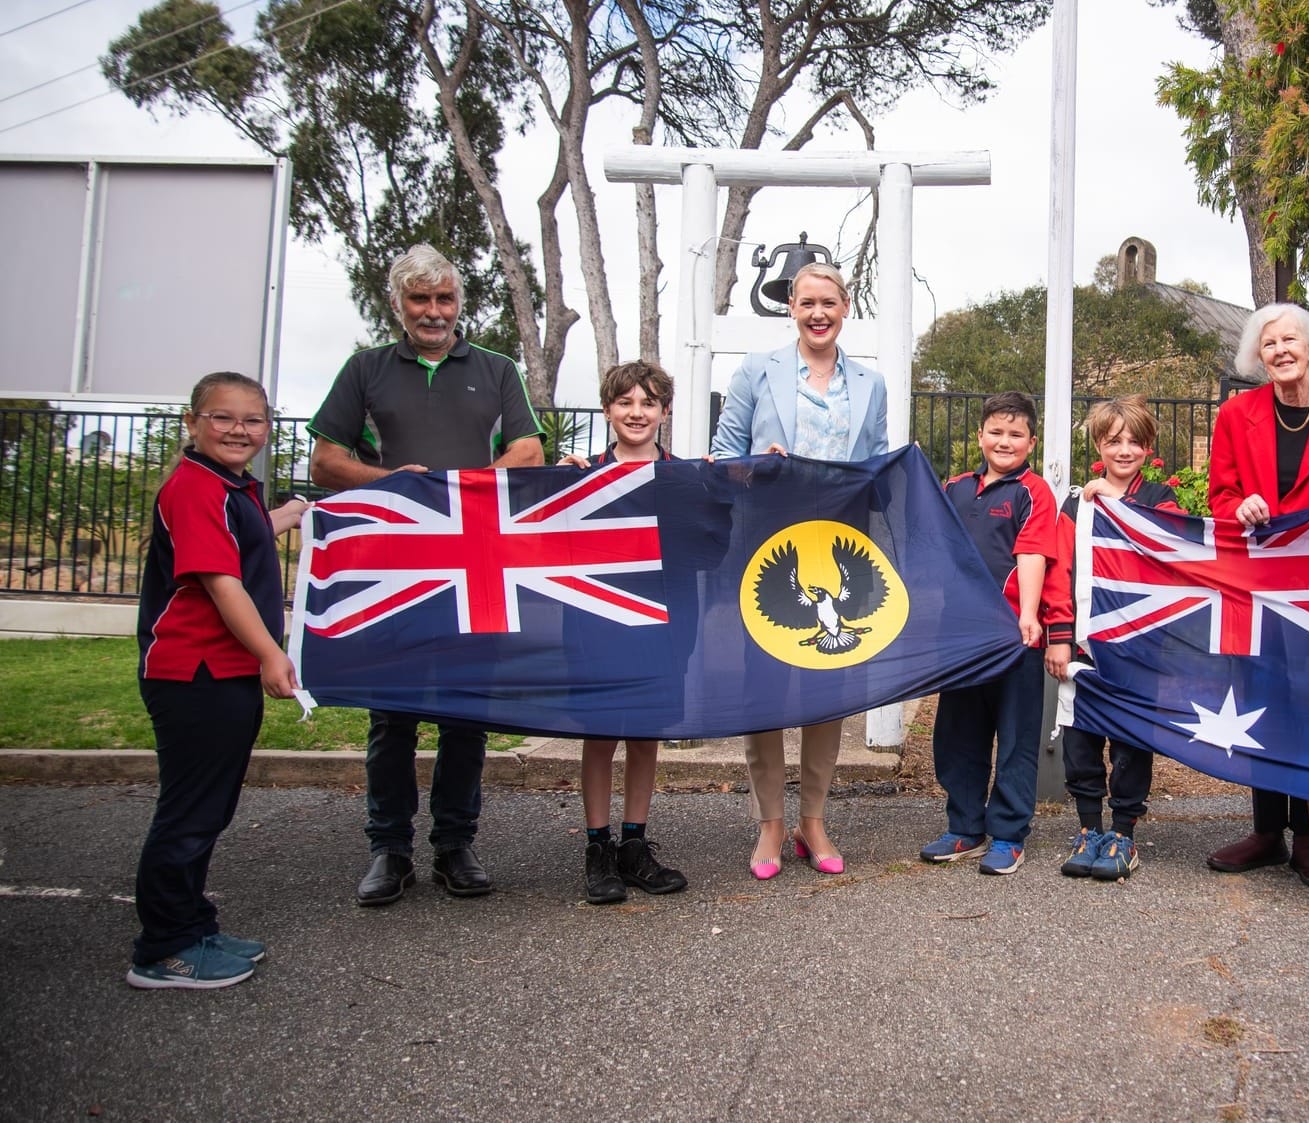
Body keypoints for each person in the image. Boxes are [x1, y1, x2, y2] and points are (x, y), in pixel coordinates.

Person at [308, 243, 544, 907]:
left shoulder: (496, 370)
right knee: (394, 714)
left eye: (444, 298)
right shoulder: (366, 370)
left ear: (459, 303)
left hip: (476, 564)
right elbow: (326, 461)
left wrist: (468, 491)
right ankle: (389, 848)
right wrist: (393, 485)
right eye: (421, 299)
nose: (434, 311)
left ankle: (454, 845)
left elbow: (528, 450)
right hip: (394, 567)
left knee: (466, 712)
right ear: (399, 306)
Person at [129, 372, 310, 988]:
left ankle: (192, 922)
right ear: (193, 421)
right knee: (190, 811)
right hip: (195, 672)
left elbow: (250, 537)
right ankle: (164, 948)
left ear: (266, 427)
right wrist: (269, 653)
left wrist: (301, 513)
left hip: (220, 672)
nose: (238, 430)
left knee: (210, 806)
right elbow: (221, 582)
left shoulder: (231, 487)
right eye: (222, 417)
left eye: (252, 420)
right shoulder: (194, 488)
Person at [710, 262, 889, 879]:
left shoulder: (871, 384)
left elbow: (876, 468)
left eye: (829, 303)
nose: (819, 313)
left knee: (827, 689)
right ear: (792, 308)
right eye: (807, 302)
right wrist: (756, 463)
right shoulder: (756, 371)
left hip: (840, 548)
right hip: (768, 547)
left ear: (845, 309)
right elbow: (723, 453)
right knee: (765, 687)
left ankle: (813, 819)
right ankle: (770, 824)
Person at [1202, 304, 1309, 891]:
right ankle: (1267, 831)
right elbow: (1220, 493)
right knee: (1264, 700)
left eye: (1289, 339)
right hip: (1257, 585)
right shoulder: (1237, 413)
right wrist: (1238, 505)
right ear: (1257, 355)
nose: (1279, 350)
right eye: (1268, 343)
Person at [924, 390, 1074, 875]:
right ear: (980, 435)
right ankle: (965, 826)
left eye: (1015, 434)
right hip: (962, 641)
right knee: (957, 734)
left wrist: (1031, 616)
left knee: (1015, 738)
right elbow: (934, 551)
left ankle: (1008, 834)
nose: (1004, 441)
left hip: (1014, 639)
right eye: (996, 432)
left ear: (1031, 441)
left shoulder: (1033, 492)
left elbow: (1034, 554)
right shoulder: (955, 488)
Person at [555, 361, 689, 904]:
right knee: (601, 732)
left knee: (644, 733)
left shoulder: (683, 475)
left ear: (664, 411)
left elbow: (712, 541)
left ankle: (634, 842)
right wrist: (561, 481)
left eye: (649, 403)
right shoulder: (582, 474)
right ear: (608, 409)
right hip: (596, 618)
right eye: (626, 403)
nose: (637, 413)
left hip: (661, 617)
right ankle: (598, 845)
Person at [1055, 396, 1181, 881]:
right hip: (1085, 644)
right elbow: (1060, 572)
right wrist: (1059, 637)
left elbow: (1172, 563)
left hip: (1139, 645)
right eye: (1113, 441)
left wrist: (1116, 505)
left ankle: (1124, 832)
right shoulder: (1078, 503)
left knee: (1130, 742)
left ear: (1148, 448)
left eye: (1134, 441)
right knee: (1080, 740)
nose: (1124, 450)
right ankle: (1090, 828)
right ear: (1098, 446)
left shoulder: (1160, 503)